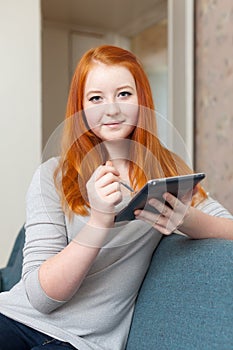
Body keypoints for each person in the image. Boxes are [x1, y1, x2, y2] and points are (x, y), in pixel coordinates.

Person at [0, 45, 232, 350]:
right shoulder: (52, 175)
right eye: (96, 98)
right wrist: (98, 222)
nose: (111, 110)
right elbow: (41, 299)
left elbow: (228, 228)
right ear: (80, 109)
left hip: (86, 343)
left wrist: (186, 218)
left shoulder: (165, 171)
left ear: (143, 100)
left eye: (124, 94)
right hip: (16, 317)